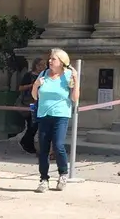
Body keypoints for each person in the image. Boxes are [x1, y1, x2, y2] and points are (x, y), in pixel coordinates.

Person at [30, 48, 78, 193]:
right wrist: (36, 85)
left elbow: (75, 98)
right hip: (44, 114)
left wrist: (76, 80)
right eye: (50, 58)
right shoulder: (43, 74)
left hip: (61, 115)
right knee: (43, 148)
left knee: (58, 145)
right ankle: (43, 179)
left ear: (62, 62)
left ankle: (63, 173)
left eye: (53, 59)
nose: (50, 61)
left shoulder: (68, 75)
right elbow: (35, 96)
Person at [17, 57, 44, 154]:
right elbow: (20, 88)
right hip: (30, 102)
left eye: (43, 65)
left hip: (40, 102)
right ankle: (27, 143)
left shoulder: (44, 75)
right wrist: (32, 85)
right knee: (32, 124)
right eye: (39, 65)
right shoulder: (28, 75)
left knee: (35, 124)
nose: (41, 67)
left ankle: (28, 143)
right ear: (35, 66)